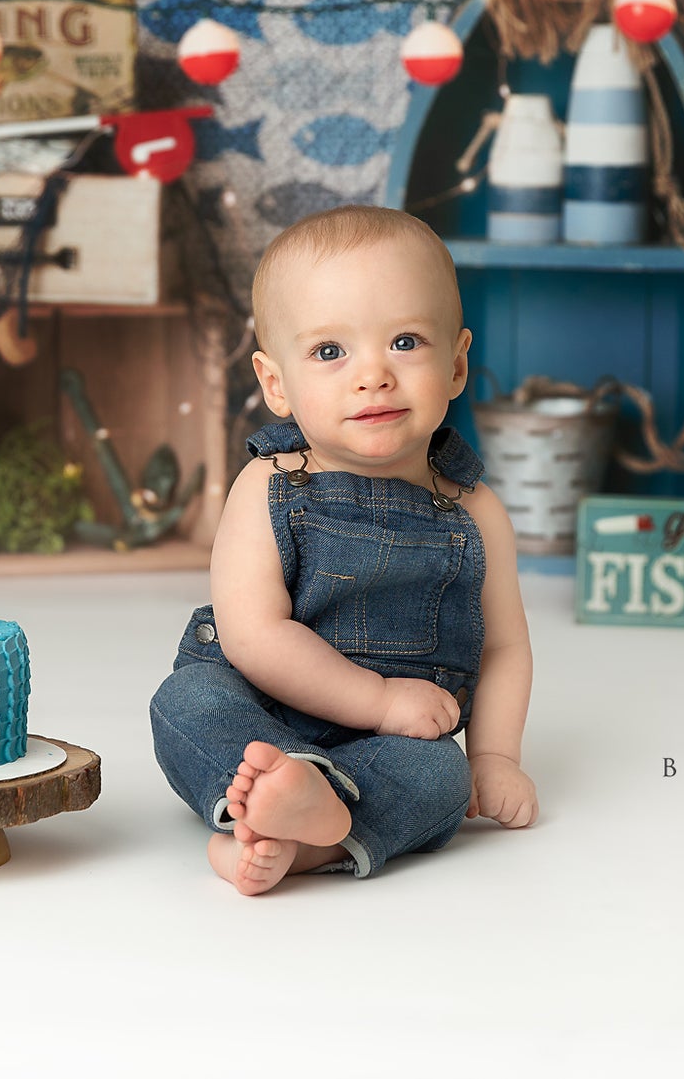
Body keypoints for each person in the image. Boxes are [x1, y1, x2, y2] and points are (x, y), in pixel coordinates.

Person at [150, 205, 538, 895]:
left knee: (442, 776)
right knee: (187, 699)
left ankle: (298, 838)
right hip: (265, 709)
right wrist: (379, 699)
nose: (374, 375)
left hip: (391, 744)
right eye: (331, 352)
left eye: (406, 342)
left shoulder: (475, 511)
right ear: (276, 384)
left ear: (455, 364)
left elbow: (504, 648)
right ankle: (275, 791)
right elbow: (253, 634)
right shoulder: (267, 486)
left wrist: (496, 756)